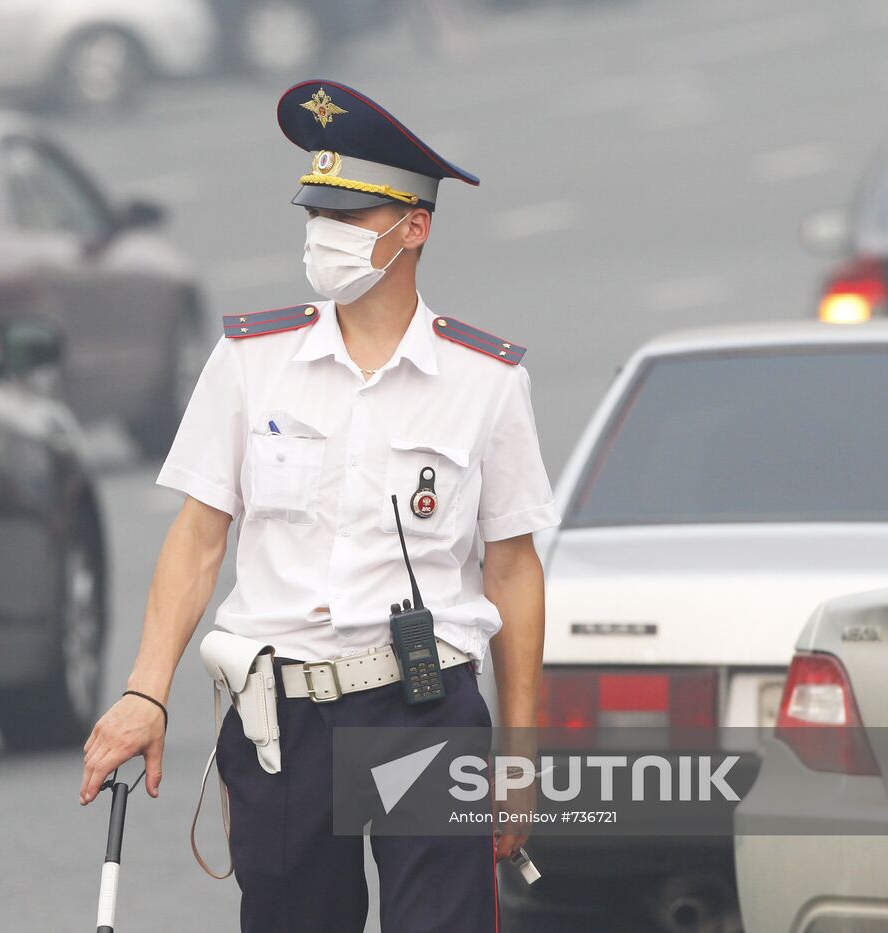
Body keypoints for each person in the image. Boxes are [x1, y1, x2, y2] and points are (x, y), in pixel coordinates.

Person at [80, 79, 560, 932]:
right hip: (283, 715)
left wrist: (520, 753)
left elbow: (514, 570)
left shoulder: (487, 382)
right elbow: (197, 540)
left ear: (414, 227)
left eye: (349, 219)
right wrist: (143, 693)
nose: (323, 237)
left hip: (425, 703)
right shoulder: (249, 362)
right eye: (316, 215)